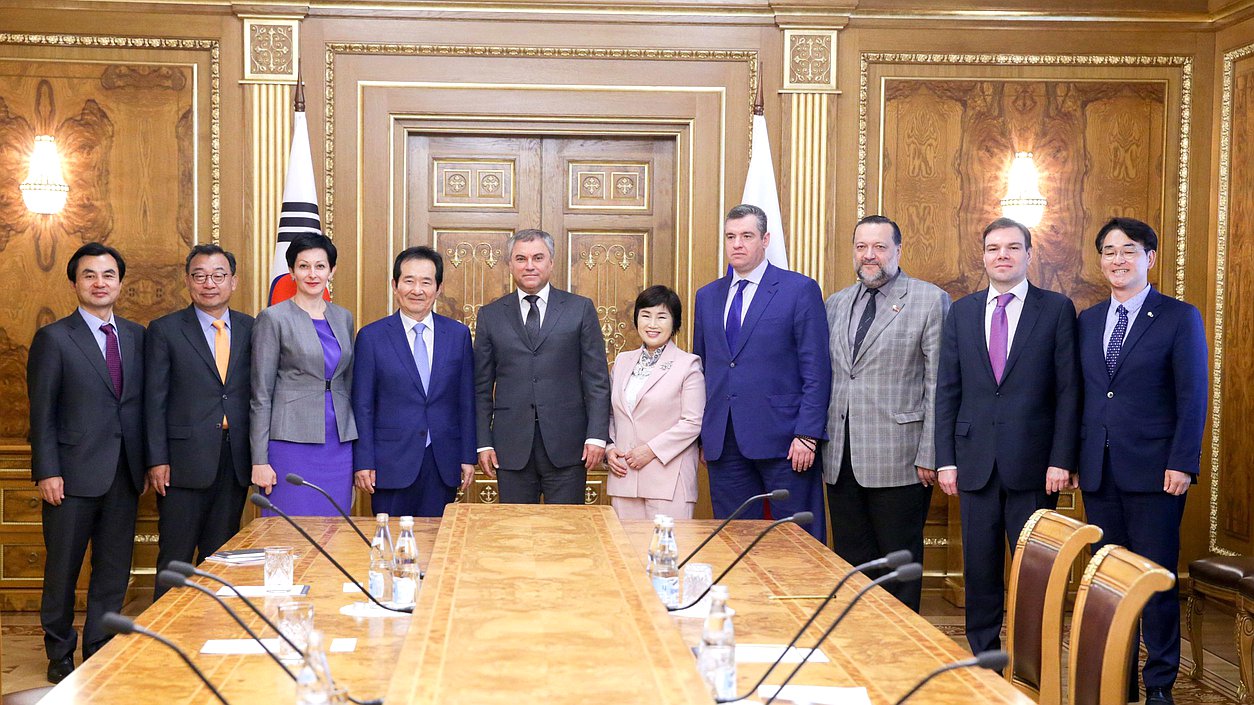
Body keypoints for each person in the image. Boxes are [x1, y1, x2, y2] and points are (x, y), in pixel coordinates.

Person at [934, 217, 1080, 658]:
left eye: (1012, 248)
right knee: (979, 570)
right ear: (983, 255)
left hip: (1035, 467)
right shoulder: (962, 311)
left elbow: (1068, 391)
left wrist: (1062, 458)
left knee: (1035, 571)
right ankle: (984, 657)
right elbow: (947, 390)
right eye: (994, 248)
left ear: (1029, 255)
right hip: (974, 461)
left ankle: (1032, 658)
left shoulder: (1055, 309)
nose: (1002, 255)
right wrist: (946, 459)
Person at [1077, 218, 1208, 705]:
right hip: (1099, 472)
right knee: (1109, 583)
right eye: (1109, 251)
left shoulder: (1178, 316)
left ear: (1150, 258)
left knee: (1154, 582)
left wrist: (1182, 462)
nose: (1118, 260)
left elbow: (1193, 395)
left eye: (1128, 251)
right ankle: (1118, 678)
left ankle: (1159, 685)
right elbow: (1084, 397)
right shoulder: (1088, 320)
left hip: (1157, 473)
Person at [27, 243, 146, 683]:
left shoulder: (136, 335)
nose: (100, 283)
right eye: (90, 275)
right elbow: (42, 411)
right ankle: (59, 650)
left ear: (120, 282)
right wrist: (47, 470)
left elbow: (140, 406)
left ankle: (100, 647)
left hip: (124, 472)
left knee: (114, 570)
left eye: (109, 275)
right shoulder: (54, 338)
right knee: (62, 569)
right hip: (71, 475)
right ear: (75, 282)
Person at [822, 215, 949, 612]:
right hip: (841, 457)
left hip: (901, 459)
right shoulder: (836, 303)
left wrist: (931, 453)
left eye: (879, 247)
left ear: (898, 250)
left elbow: (939, 383)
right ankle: (859, 645)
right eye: (861, 247)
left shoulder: (929, 299)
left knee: (898, 564)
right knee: (852, 563)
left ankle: (903, 654)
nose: (869, 255)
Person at [693, 204, 831, 541]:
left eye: (746, 236)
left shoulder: (798, 290)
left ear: (765, 239)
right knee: (734, 541)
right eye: (730, 236)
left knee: (797, 542)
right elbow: (703, 367)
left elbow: (816, 368)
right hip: (724, 442)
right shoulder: (707, 296)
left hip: (787, 442)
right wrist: (703, 435)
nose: (737, 244)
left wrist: (808, 435)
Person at [145, 245, 253, 599]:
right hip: (181, 463)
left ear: (233, 281)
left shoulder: (252, 328)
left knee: (220, 557)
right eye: (200, 275)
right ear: (188, 281)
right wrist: (157, 459)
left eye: (218, 275)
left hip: (235, 458)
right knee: (176, 558)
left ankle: (209, 633)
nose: (210, 283)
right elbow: (154, 400)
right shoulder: (165, 330)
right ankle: (164, 639)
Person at [474, 229, 610, 504]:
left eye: (538, 257)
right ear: (510, 264)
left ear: (551, 262)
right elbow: (480, 387)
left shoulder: (579, 309)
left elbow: (597, 380)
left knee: (567, 533)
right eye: (521, 258)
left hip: (569, 446)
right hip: (510, 447)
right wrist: (483, 441)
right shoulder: (490, 315)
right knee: (515, 534)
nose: (529, 265)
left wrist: (597, 436)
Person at [353, 247, 476, 516]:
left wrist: (468, 456)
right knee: (392, 546)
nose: (417, 290)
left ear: (439, 288)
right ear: (395, 285)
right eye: (409, 281)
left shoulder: (457, 335)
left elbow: (466, 401)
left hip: (442, 460)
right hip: (389, 463)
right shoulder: (371, 337)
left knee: (438, 545)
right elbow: (362, 405)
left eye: (426, 282)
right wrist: (363, 461)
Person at [250, 233, 357, 515]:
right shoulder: (273, 318)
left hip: (338, 441)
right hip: (290, 443)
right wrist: (259, 460)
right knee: (288, 530)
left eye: (320, 266)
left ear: (332, 271)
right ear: (291, 271)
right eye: (303, 266)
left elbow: (347, 380)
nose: (312, 274)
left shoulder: (343, 317)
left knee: (335, 529)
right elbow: (261, 394)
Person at [606, 285, 705, 520]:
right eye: (646, 315)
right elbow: (611, 414)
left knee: (667, 554)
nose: (652, 324)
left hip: (668, 479)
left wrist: (651, 451)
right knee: (625, 554)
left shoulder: (688, 365)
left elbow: (692, 422)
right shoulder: (622, 361)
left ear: (674, 323)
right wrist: (610, 448)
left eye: (661, 317)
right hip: (625, 477)